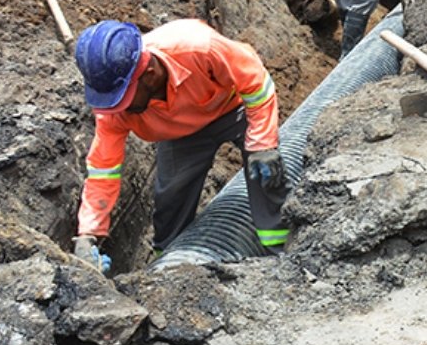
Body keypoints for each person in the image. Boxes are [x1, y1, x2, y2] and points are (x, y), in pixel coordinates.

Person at [72, 19, 289, 269]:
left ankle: (279, 249)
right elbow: (103, 169)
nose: (119, 108)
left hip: (231, 109)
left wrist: (263, 144)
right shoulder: (113, 109)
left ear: (149, 76)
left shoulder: (199, 47)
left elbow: (256, 82)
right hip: (179, 133)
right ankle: (166, 266)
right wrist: (88, 235)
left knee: (265, 171)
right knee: (170, 199)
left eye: (124, 99)